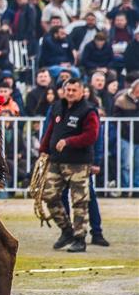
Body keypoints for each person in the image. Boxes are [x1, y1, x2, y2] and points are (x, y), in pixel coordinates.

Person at [39, 78, 101, 252]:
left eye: (75, 90)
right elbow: (51, 129)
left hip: (78, 163)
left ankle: (80, 238)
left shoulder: (89, 111)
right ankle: (67, 230)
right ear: (64, 91)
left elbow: (91, 136)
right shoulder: (58, 106)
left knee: (79, 201)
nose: (71, 93)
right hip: (56, 161)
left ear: (82, 91)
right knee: (48, 195)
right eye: (68, 90)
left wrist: (69, 141)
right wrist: (44, 149)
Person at [112, 79, 139, 189]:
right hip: (126, 137)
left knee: (138, 164)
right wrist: (126, 127)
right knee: (126, 164)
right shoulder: (121, 100)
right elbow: (115, 117)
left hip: (138, 137)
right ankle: (126, 187)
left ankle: (136, 187)